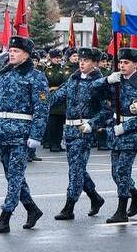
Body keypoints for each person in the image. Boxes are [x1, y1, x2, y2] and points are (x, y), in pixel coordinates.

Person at [0, 35, 49, 233]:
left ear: (26, 55)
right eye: (10, 51)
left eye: (16, 51)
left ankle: (5, 217)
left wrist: (36, 135)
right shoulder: (4, 73)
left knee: (15, 175)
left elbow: (42, 108)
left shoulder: (36, 76)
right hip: (4, 130)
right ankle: (32, 209)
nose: (11, 54)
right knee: (11, 174)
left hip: (23, 132)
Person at [46, 46, 109, 220]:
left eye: (86, 60)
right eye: (80, 60)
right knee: (77, 169)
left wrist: (92, 124)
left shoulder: (99, 84)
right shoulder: (73, 79)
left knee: (75, 171)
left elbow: (106, 111)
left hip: (84, 131)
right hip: (69, 131)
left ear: (95, 63)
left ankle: (69, 207)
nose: (82, 63)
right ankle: (95, 198)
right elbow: (55, 97)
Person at [102, 47, 137, 222]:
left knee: (122, 171)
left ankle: (121, 210)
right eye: (120, 62)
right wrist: (106, 81)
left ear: (135, 65)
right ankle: (136, 195)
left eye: (126, 62)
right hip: (115, 132)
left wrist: (126, 127)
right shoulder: (117, 81)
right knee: (115, 173)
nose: (122, 65)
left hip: (130, 135)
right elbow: (94, 92)